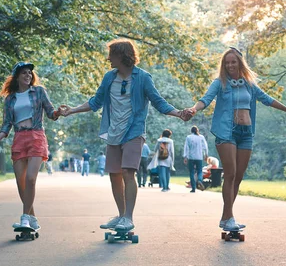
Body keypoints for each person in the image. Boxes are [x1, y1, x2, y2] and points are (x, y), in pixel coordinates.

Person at [59, 38, 191, 232]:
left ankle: (128, 217)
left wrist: (178, 113)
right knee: (114, 175)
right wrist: (72, 110)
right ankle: (121, 215)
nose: (108, 59)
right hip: (113, 132)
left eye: (111, 55)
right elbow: (95, 102)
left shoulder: (143, 78)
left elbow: (158, 102)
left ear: (122, 55)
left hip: (134, 131)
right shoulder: (109, 78)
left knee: (128, 172)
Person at [188, 47, 286, 231]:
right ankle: (229, 218)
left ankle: (226, 218)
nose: (230, 65)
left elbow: (268, 99)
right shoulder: (219, 83)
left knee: (239, 177)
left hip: (246, 133)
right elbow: (205, 99)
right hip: (227, 132)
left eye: (233, 61)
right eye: (227, 63)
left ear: (240, 63)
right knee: (231, 173)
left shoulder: (249, 85)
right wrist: (194, 109)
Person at [0, 61, 61, 230]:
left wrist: (58, 112)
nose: (28, 75)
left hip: (36, 136)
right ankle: (32, 219)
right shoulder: (10, 99)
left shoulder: (39, 91)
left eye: (29, 73)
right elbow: (6, 123)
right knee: (20, 182)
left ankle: (24, 218)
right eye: (24, 73)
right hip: (19, 138)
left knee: (30, 179)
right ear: (17, 77)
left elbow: (50, 112)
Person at [183, 126, 208, 192]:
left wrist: (185, 157)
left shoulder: (188, 137)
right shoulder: (201, 137)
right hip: (199, 157)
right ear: (197, 131)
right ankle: (199, 180)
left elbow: (186, 147)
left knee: (191, 172)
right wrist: (206, 155)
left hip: (191, 157)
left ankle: (193, 188)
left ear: (191, 131)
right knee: (199, 171)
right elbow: (205, 146)